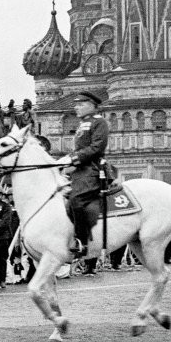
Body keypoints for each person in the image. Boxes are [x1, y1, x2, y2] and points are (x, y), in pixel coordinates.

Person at [60, 91, 110, 261]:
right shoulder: (83, 124)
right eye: (76, 104)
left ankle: (82, 242)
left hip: (92, 170)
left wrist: (74, 158)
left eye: (80, 104)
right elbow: (80, 148)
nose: (76, 107)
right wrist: (67, 162)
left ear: (92, 105)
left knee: (76, 200)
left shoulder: (99, 122)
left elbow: (97, 147)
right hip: (79, 170)